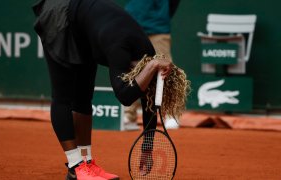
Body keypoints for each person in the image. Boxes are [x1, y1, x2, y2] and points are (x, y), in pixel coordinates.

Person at [32, 0, 189, 179]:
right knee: (63, 96)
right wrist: (152, 66)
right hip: (60, 14)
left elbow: (149, 103)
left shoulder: (146, 57)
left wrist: (147, 147)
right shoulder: (121, 48)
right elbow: (124, 96)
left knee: (83, 98)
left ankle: (87, 162)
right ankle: (75, 166)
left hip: (87, 27)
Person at [123, 0, 181, 130]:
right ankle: (128, 115)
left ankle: (170, 114)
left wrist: (161, 15)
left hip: (158, 28)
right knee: (132, 71)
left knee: (166, 71)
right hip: (132, 24)